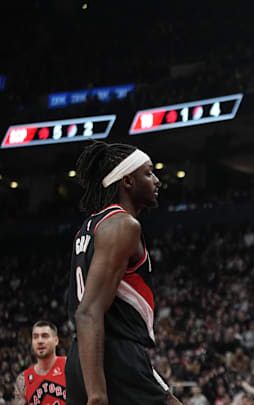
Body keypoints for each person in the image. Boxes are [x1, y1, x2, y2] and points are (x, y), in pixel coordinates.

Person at [64, 141, 180, 405]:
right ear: (127, 182)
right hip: (113, 355)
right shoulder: (123, 225)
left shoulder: (89, 227)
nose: (157, 181)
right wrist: (97, 395)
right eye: (149, 173)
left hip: (85, 353)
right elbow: (88, 311)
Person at [14, 320, 67, 405]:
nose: (40, 341)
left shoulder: (68, 365)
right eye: (35, 337)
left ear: (56, 340)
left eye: (45, 336)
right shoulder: (23, 380)